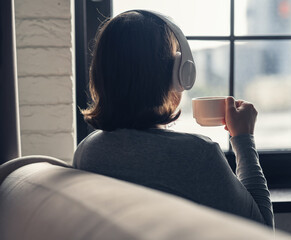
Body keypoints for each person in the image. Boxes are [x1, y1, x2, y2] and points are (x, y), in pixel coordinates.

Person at [73, 10, 274, 228]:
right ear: (178, 73)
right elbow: (261, 229)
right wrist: (243, 138)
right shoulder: (197, 155)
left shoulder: (87, 151)